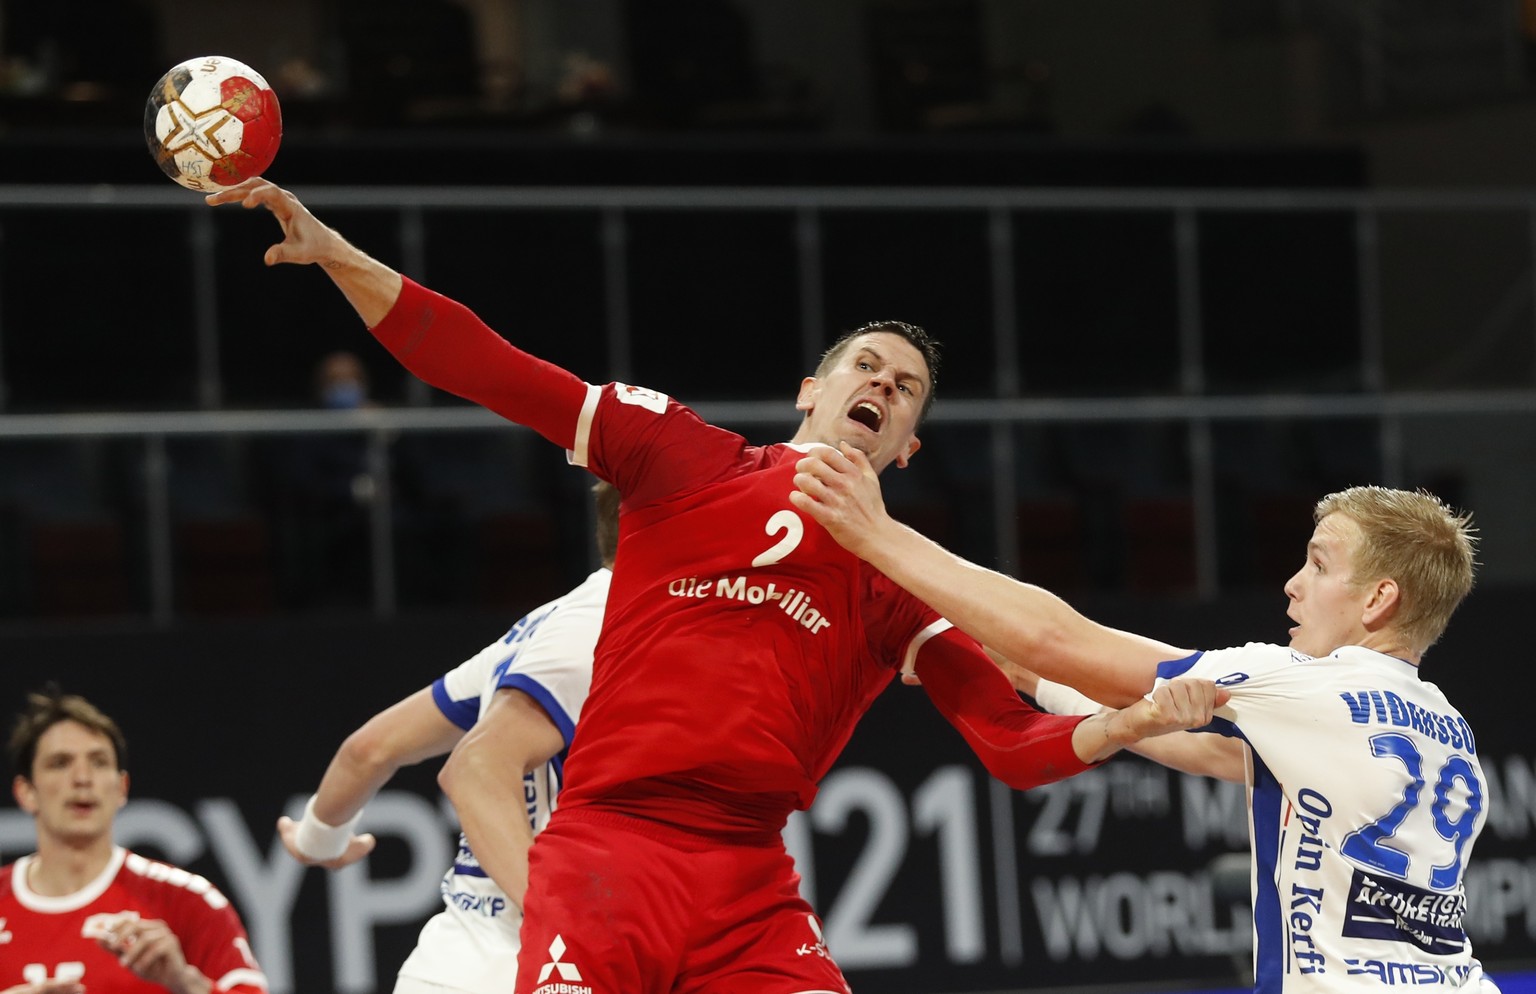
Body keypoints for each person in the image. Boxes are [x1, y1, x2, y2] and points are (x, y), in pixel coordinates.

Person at [208, 176, 1225, 994]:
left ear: (910, 446)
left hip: (746, 880)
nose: (881, 384)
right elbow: (492, 366)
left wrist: (1126, 728)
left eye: (904, 388)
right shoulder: (681, 455)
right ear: (810, 392)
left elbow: (1009, 743)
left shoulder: (902, 583)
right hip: (610, 851)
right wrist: (339, 254)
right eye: (865, 366)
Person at [790, 450, 1498, 994]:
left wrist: (877, 535)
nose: (1293, 583)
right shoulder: (1447, 727)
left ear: (1378, 600)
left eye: (1317, 564)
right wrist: (1039, 683)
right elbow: (1213, 757)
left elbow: (1062, 640)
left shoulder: (1306, 685)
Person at [276, 481, 619, 994]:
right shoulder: (608, 625)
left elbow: (370, 748)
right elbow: (470, 769)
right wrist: (563, 927)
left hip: (452, 961)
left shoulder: (538, 628)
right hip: (555, 955)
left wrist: (318, 838)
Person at [1, 688, 268, 994]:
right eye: (60, 763)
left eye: (99, 762)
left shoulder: (186, 901)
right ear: (26, 792)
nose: (82, 778)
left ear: (121, 788)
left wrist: (184, 983)